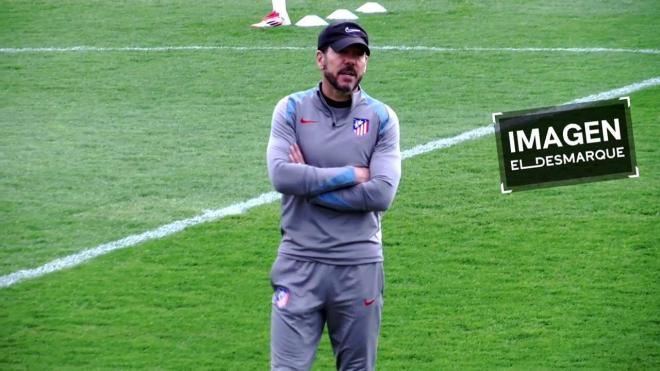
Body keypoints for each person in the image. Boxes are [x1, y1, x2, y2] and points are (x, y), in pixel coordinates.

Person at [266, 21, 401, 371]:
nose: (351, 61)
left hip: (359, 266)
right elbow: (281, 174)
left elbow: (382, 193)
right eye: (342, 53)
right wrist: (349, 175)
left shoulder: (382, 117)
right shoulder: (291, 109)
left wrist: (309, 187)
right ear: (320, 59)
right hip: (299, 263)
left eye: (359, 55)